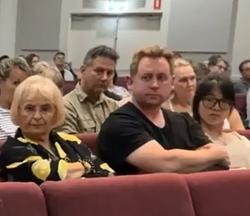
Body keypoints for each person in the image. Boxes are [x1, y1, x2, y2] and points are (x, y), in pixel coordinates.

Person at [98, 45, 229, 175]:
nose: (155, 85)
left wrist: (212, 156)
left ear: (172, 83)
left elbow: (220, 161)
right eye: (146, 77)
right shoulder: (118, 124)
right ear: (130, 82)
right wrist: (215, 154)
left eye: (162, 78)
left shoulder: (184, 121)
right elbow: (166, 164)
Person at [0, 75, 112, 183]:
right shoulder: (12, 150)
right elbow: (55, 174)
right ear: (17, 111)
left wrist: (82, 171)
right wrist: (88, 166)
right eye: (29, 108)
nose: (37, 116)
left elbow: (107, 172)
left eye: (45, 109)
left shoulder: (70, 140)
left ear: (55, 112)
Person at [165, 58, 245, 131]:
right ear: (171, 83)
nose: (190, 84)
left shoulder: (223, 105)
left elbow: (241, 135)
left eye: (192, 78)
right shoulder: (164, 109)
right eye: (183, 80)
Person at [59, 45, 120, 134]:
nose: (104, 78)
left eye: (109, 73)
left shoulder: (114, 106)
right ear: (83, 70)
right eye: (99, 71)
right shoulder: (65, 105)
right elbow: (70, 145)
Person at [193, 76, 250, 169]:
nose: (216, 107)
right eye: (209, 100)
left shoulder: (241, 140)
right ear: (197, 102)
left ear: (231, 107)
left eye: (224, 102)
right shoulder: (187, 139)